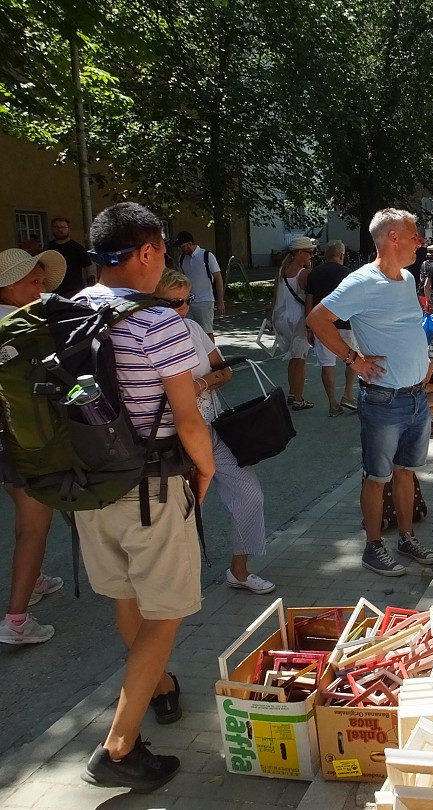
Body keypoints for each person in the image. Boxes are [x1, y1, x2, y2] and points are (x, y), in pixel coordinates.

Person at [76, 202, 215, 789]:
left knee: (127, 596)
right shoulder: (158, 322)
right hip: (151, 489)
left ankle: (157, 686)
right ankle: (118, 747)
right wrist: (204, 472)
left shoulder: (65, 311)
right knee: (167, 613)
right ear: (148, 252)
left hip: (86, 488)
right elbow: (187, 419)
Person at [307, 209, 433, 577]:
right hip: (383, 398)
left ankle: (407, 537)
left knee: (405, 472)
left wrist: (426, 362)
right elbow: (317, 319)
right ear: (393, 237)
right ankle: (373, 547)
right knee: (376, 476)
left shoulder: (405, 278)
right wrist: (353, 358)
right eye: (415, 235)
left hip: (415, 396)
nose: (421, 242)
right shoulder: (362, 281)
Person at [155, 270, 274, 594]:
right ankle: (179, 585)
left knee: (250, 496)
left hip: (215, 425)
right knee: (190, 509)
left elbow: (224, 370)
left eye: (187, 300)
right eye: (175, 302)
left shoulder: (192, 327)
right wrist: (196, 386)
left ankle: (239, 570)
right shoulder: (149, 337)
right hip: (178, 435)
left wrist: (200, 383)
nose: (183, 308)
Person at [0, 248, 67, 645]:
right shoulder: (19, 328)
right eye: (33, 283)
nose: (41, 290)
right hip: (25, 440)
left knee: (23, 511)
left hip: (6, 441)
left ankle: (36, 578)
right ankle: (17, 619)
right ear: (8, 286)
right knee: (34, 525)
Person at [306, 240, 358, 416]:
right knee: (352, 359)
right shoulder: (349, 274)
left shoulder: (314, 274)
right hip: (346, 323)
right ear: (342, 255)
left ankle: (332, 404)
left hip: (322, 325)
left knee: (327, 364)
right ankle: (348, 394)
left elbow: (309, 302)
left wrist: (309, 327)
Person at [271, 236, 318, 410]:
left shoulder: (283, 270)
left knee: (293, 358)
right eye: (309, 252)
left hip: (282, 317)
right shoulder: (303, 273)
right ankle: (298, 399)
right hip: (298, 319)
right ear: (299, 253)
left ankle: (292, 394)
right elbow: (310, 299)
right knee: (300, 360)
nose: (311, 256)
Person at [173, 231, 225, 339]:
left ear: (189, 243)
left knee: (206, 332)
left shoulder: (207, 256)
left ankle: (210, 355)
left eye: (181, 246)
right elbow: (181, 281)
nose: (180, 249)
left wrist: (220, 301)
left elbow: (218, 278)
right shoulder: (182, 259)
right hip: (187, 302)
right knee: (190, 332)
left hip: (204, 300)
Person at [47, 216, 95, 297]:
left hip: (73, 291)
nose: (59, 229)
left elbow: (89, 269)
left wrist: (91, 286)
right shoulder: (48, 247)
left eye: (63, 227)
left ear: (68, 229)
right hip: (52, 292)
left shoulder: (77, 248)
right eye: (57, 227)